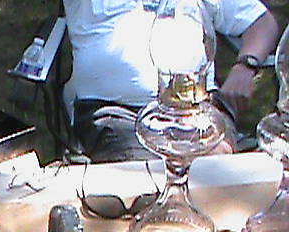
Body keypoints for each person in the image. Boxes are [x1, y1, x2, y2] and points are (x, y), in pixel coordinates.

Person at [62, 0, 280, 162]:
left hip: (199, 109)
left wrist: (246, 65)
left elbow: (263, 22)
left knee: (215, 170)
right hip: (118, 114)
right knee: (147, 182)